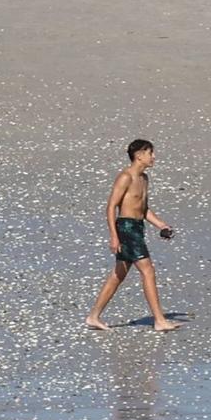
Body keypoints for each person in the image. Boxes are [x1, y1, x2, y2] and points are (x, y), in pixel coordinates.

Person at [85, 139, 180, 333]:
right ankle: (160, 320)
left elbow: (143, 209)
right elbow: (111, 207)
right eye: (150, 153)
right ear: (139, 155)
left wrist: (161, 224)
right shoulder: (125, 177)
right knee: (148, 270)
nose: (153, 157)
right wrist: (114, 236)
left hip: (137, 227)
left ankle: (93, 316)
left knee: (118, 274)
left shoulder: (144, 179)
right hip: (126, 227)